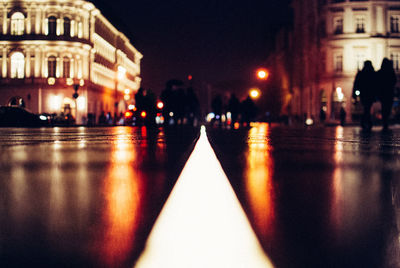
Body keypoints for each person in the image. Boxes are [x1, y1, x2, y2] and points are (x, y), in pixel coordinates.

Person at [352, 60, 376, 131]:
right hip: (370, 93)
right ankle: (367, 121)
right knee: (367, 107)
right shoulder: (372, 73)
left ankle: (365, 121)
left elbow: (356, 84)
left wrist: (355, 95)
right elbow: (376, 84)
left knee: (366, 107)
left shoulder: (361, 73)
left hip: (363, 93)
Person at [376, 58, 397, 130]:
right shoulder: (391, 72)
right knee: (388, 107)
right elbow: (394, 81)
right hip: (389, 92)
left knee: (384, 107)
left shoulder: (380, 72)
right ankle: (386, 121)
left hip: (382, 93)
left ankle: (385, 122)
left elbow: (377, 82)